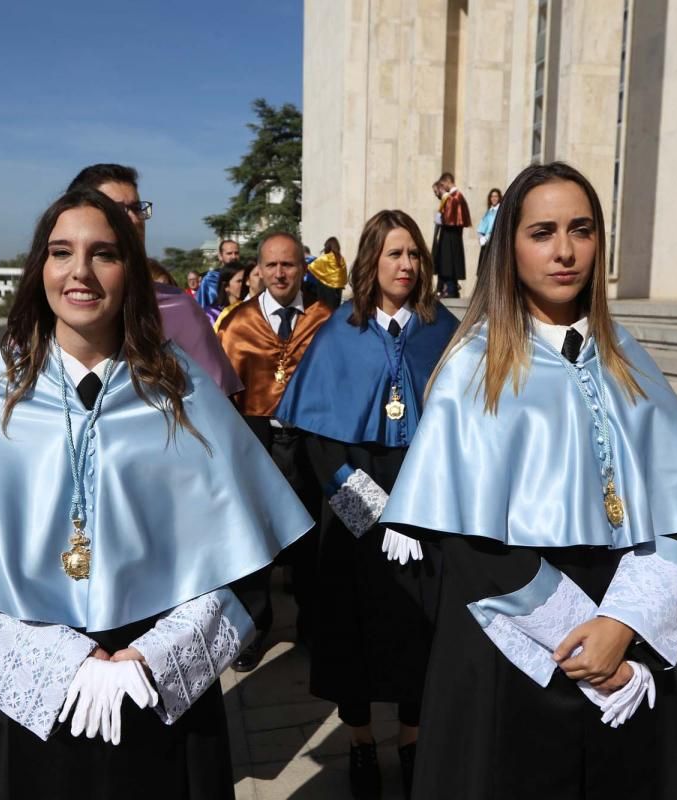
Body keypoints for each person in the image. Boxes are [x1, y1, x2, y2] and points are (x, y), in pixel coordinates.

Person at [0, 188, 314, 799]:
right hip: (35, 718)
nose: (80, 271)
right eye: (61, 252)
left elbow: (248, 568)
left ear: (130, 272)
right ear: (40, 269)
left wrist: (154, 659)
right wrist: (61, 669)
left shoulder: (183, 392)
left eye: (103, 253)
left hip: (159, 705)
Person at [380, 162, 677, 799]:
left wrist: (622, 627)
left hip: (623, 637)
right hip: (514, 637)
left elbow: (675, 504)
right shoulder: (475, 366)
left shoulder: (628, 356)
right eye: (542, 232)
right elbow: (468, 543)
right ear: (508, 248)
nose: (566, 250)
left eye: (581, 229)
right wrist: (583, 646)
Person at [276, 210, 458, 799]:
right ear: (370, 263)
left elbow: (461, 432)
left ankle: (410, 739)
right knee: (349, 633)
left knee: (422, 629)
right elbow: (320, 440)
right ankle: (360, 742)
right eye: (394, 255)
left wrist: (414, 511)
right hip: (352, 508)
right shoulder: (337, 334)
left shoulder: (444, 332)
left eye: (414, 256)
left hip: (424, 505)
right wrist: (371, 511)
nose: (406, 266)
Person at [217, 232, 333, 671]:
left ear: (302, 267)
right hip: (255, 438)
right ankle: (253, 627)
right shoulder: (237, 323)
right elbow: (221, 389)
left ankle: (312, 624)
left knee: (309, 536)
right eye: (271, 265)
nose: (280, 273)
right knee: (255, 540)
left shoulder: (325, 319)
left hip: (308, 440)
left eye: (288, 264)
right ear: (259, 270)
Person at [67, 164, 241, 395]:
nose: (135, 219)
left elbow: (219, 407)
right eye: (118, 209)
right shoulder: (57, 305)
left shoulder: (178, 310)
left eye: (136, 208)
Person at [434, 172, 471, 298]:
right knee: (448, 262)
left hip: (450, 235)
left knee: (449, 262)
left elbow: (449, 218)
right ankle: (450, 287)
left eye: (443, 184)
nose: (443, 188)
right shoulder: (455, 197)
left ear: (448, 182)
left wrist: (441, 217)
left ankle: (450, 288)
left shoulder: (454, 198)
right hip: (451, 234)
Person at [305, 236, 348, 309]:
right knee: (335, 309)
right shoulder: (341, 258)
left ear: (327, 246)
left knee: (325, 310)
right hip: (338, 290)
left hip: (325, 290)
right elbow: (343, 275)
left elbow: (310, 267)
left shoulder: (325, 258)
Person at [196, 240, 240, 312]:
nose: (234, 256)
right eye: (229, 253)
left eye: (236, 253)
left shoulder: (247, 277)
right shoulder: (210, 279)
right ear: (220, 256)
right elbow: (200, 309)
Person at [211, 263, 246, 330]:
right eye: (239, 281)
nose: (244, 284)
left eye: (245, 280)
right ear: (226, 286)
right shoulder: (213, 314)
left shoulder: (250, 307)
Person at [477, 188, 502, 271]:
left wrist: (487, 237)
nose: (494, 198)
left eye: (496, 196)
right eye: (492, 196)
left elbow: (496, 228)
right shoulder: (488, 212)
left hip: (494, 243)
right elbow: (482, 226)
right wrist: (481, 237)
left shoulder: (499, 212)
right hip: (485, 244)